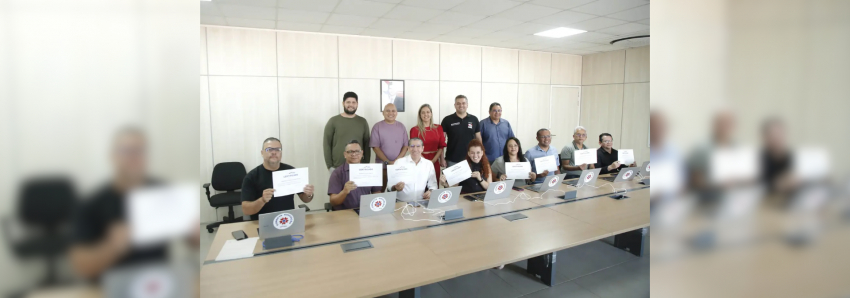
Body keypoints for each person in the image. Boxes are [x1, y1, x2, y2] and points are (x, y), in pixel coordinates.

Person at [70, 127, 199, 279]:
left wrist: (194, 233)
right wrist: (113, 247)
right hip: (109, 288)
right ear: (112, 156)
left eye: (139, 151)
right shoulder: (92, 203)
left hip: (158, 283)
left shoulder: (162, 192)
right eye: (127, 151)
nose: (134, 157)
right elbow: (80, 266)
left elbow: (193, 242)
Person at [241, 137, 315, 220]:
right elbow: (246, 210)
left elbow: (305, 199)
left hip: (288, 220)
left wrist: (309, 194)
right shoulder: (251, 177)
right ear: (262, 153)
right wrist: (262, 200)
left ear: (281, 153)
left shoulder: (292, 172)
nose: (274, 152)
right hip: (262, 223)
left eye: (277, 149)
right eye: (269, 149)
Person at [328, 140, 384, 210]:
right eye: (350, 152)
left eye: (357, 151)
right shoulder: (337, 173)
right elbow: (333, 202)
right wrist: (344, 192)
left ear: (362, 153)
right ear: (345, 154)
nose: (354, 154)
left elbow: (376, 192)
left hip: (366, 210)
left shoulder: (371, 170)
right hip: (345, 213)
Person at [324, 91, 371, 172]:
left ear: (357, 104)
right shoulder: (333, 121)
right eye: (348, 102)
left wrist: (365, 164)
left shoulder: (362, 121)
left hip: (358, 166)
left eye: (353, 102)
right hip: (337, 167)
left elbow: (367, 145)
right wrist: (329, 166)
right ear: (343, 103)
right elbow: (327, 144)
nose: (351, 105)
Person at [371, 103, 408, 189]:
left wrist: (396, 162)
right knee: (380, 192)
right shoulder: (377, 126)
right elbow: (375, 147)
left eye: (393, 111)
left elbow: (405, 146)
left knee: (397, 191)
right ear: (383, 113)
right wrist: (387, 161)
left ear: (397, 113)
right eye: (387, 111)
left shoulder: (401, 126)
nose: (390, 113)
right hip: (382, 167)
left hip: (398, 168)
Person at [388, 138, 437, 202]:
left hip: (420, 202)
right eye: (412, 146)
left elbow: (433, 185)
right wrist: (395, 187)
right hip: (401, 202)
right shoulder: (399, 162)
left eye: (418, 146)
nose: (415, 149)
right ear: (408, 148)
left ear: (422, 148)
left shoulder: (428, 164)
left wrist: (430, 192)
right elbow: (389, 186)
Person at [441, 95, 481, 167]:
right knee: (452, 179)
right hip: (452, 160)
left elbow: (478, 139)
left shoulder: (474, 119)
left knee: (471, 178)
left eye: (463, 103)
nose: (461, 105)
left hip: (471, 159)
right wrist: (441, 158)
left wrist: (480, 155)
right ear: (455, 105)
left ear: (467, 105)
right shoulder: (447, 120)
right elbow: (441, 141)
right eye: (458, 103)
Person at [410, 104, 446, 182]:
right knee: (421, 185)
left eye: (428, 112)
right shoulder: (414, 130)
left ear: (431, 113)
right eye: (423, 112)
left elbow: (441, 146)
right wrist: (426, 162)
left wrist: (433, 161)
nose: (426, 114)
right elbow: (413, 148)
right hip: (420, 160)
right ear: (420, 115)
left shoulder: (438, 128)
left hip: (435, 160)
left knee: (434, 185)